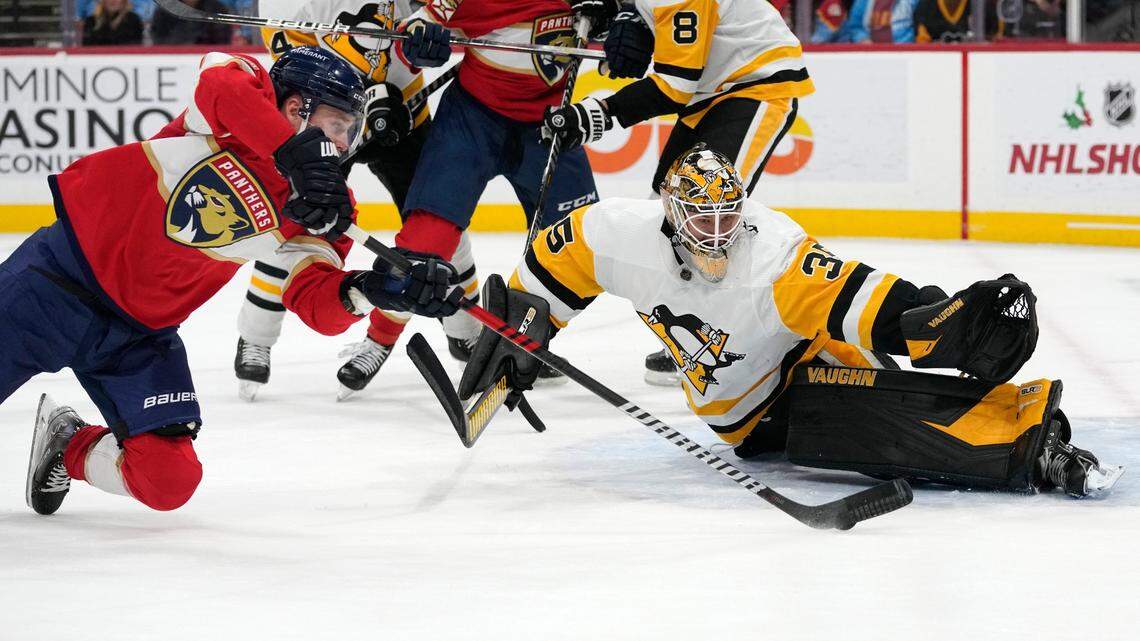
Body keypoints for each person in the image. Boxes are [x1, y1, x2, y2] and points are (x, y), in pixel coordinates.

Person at [459, 145, 1124, 498]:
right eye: (703, 220)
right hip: (747, 415)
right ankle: (1023, 441)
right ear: (672, 214)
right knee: (860, 426)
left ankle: (1028, 437)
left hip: (803, 356)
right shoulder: (620, 236)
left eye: (728, 218)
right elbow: (563, 255)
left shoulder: (772, 260)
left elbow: (862, 298)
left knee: (887, 406)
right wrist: (528, 321)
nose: (718, 235)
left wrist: (939, 319)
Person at [5, 46, 462, 516]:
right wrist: (294, 156)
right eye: (339, 125)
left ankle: (67, 444)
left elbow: (312, 302)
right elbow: (217, 85)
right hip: (55, 285)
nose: (346, 144)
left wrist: (372, 290)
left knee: (168, 480)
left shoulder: (324, 207)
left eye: (350, 131)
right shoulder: (238, 101)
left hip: (137, 338)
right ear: (295, 108)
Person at [542, 0, 814, 386]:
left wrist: (597, 113)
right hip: (711, 92)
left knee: (707, 215)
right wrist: (621, 12)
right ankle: (696, 335)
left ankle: (720, 344)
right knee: (668, 215)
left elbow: (673, 86)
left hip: (756, 85)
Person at [353, 0, 609, 387]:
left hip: (551, 125)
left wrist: (628, 25)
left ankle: (524, 339)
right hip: (473, 122)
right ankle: (379, 338)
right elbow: (413, 36)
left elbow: (643, 20)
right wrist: (421, 41)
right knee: (425, 242)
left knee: (579, 244)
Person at [234, 0, 479, 400]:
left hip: (401, 112)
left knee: (440, 219)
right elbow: (295, 62)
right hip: (327, 120)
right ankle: (256, 334)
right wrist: (372, 92)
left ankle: (466, 333)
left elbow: (430, 15)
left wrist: (425, 38)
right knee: (294, 227)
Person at [151, 0, 234, 44]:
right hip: (173, 56)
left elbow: (222, 41)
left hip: (209, 58)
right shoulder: (165, 10)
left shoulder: (217, 9)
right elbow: (159, 39)